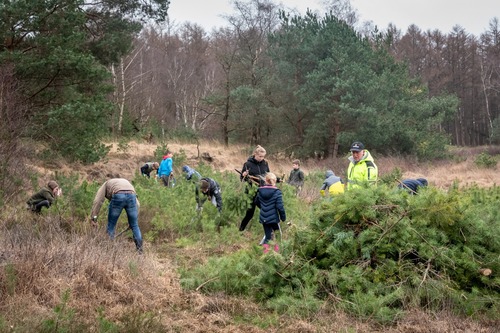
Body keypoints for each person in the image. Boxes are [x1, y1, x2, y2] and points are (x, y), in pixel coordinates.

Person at [90, 178, 143, 253]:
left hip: (118, 195)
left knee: (111, 225)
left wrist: (93, 218)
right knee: (135, 226)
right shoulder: (127, 183)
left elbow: (98, 201)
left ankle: (109, 250)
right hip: (132, 195)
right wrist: (133, 221)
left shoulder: (105, 184)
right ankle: (140, 251)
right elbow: (137, 204)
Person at [239, 145, 270, 231]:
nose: (261, 158)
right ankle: (240, 230)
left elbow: (268, 175)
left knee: (266, 210)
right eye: (260, 156)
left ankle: (269, 232)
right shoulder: (247, 164)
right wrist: (244, 175)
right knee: (249, 214)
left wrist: (276, 179)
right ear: (255, 154)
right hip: (251, 192)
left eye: (263, 156)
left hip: (262, 191)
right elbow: (242, 178)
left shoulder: (265, 163)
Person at [255, 172, 286, 253]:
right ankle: (277, 253)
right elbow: (280, 207)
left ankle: (265, 254)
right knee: (278, 236)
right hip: (274, 219)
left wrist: (263, 208)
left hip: (263, 218)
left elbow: (256, 201)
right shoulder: (277, 192)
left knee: (268, 237)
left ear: (265, 180)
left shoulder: (260, 190)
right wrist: (283, 217)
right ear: (274, 181)